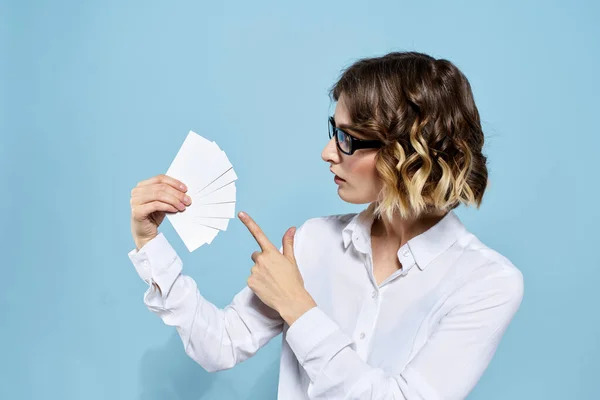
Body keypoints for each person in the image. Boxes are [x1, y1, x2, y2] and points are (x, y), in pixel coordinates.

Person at [128, 51, 524, 400]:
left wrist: (298, 306)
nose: (327, 152)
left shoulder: (486, 283)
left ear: (406, 152)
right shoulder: (315, 241)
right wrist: (150, 243)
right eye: (333, 131)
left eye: (348, 138)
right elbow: (220, 345)